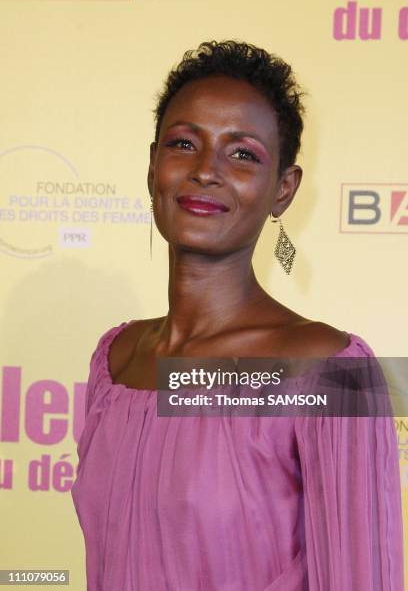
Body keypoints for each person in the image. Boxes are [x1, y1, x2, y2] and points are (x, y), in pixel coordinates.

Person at [70, 41, 404, 590]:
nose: (206, 171)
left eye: (243, 153)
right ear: (153, 165)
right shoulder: (117, 358)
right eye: (184, 144)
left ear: (284, 190)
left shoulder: (327, 369)